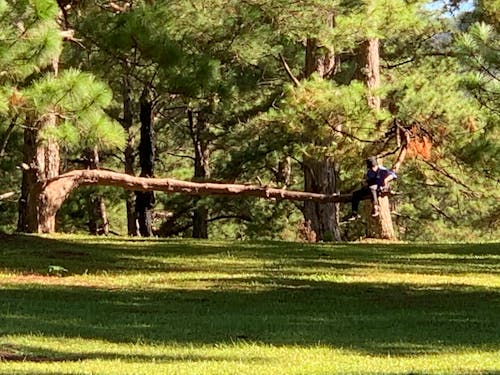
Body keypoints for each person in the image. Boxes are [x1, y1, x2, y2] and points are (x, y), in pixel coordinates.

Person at [343, 156, 397, 221]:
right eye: (371, 167)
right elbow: (369, 182)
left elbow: (393, 175)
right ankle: (354, 213)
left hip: (382, 187)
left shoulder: (382, 169)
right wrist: (365, 183)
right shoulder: (369, 172)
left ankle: (376, 207)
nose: (372, 169)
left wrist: (385, 180)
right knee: (356, 194)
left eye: (373, 167)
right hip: (372, 187)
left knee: (372, 188)